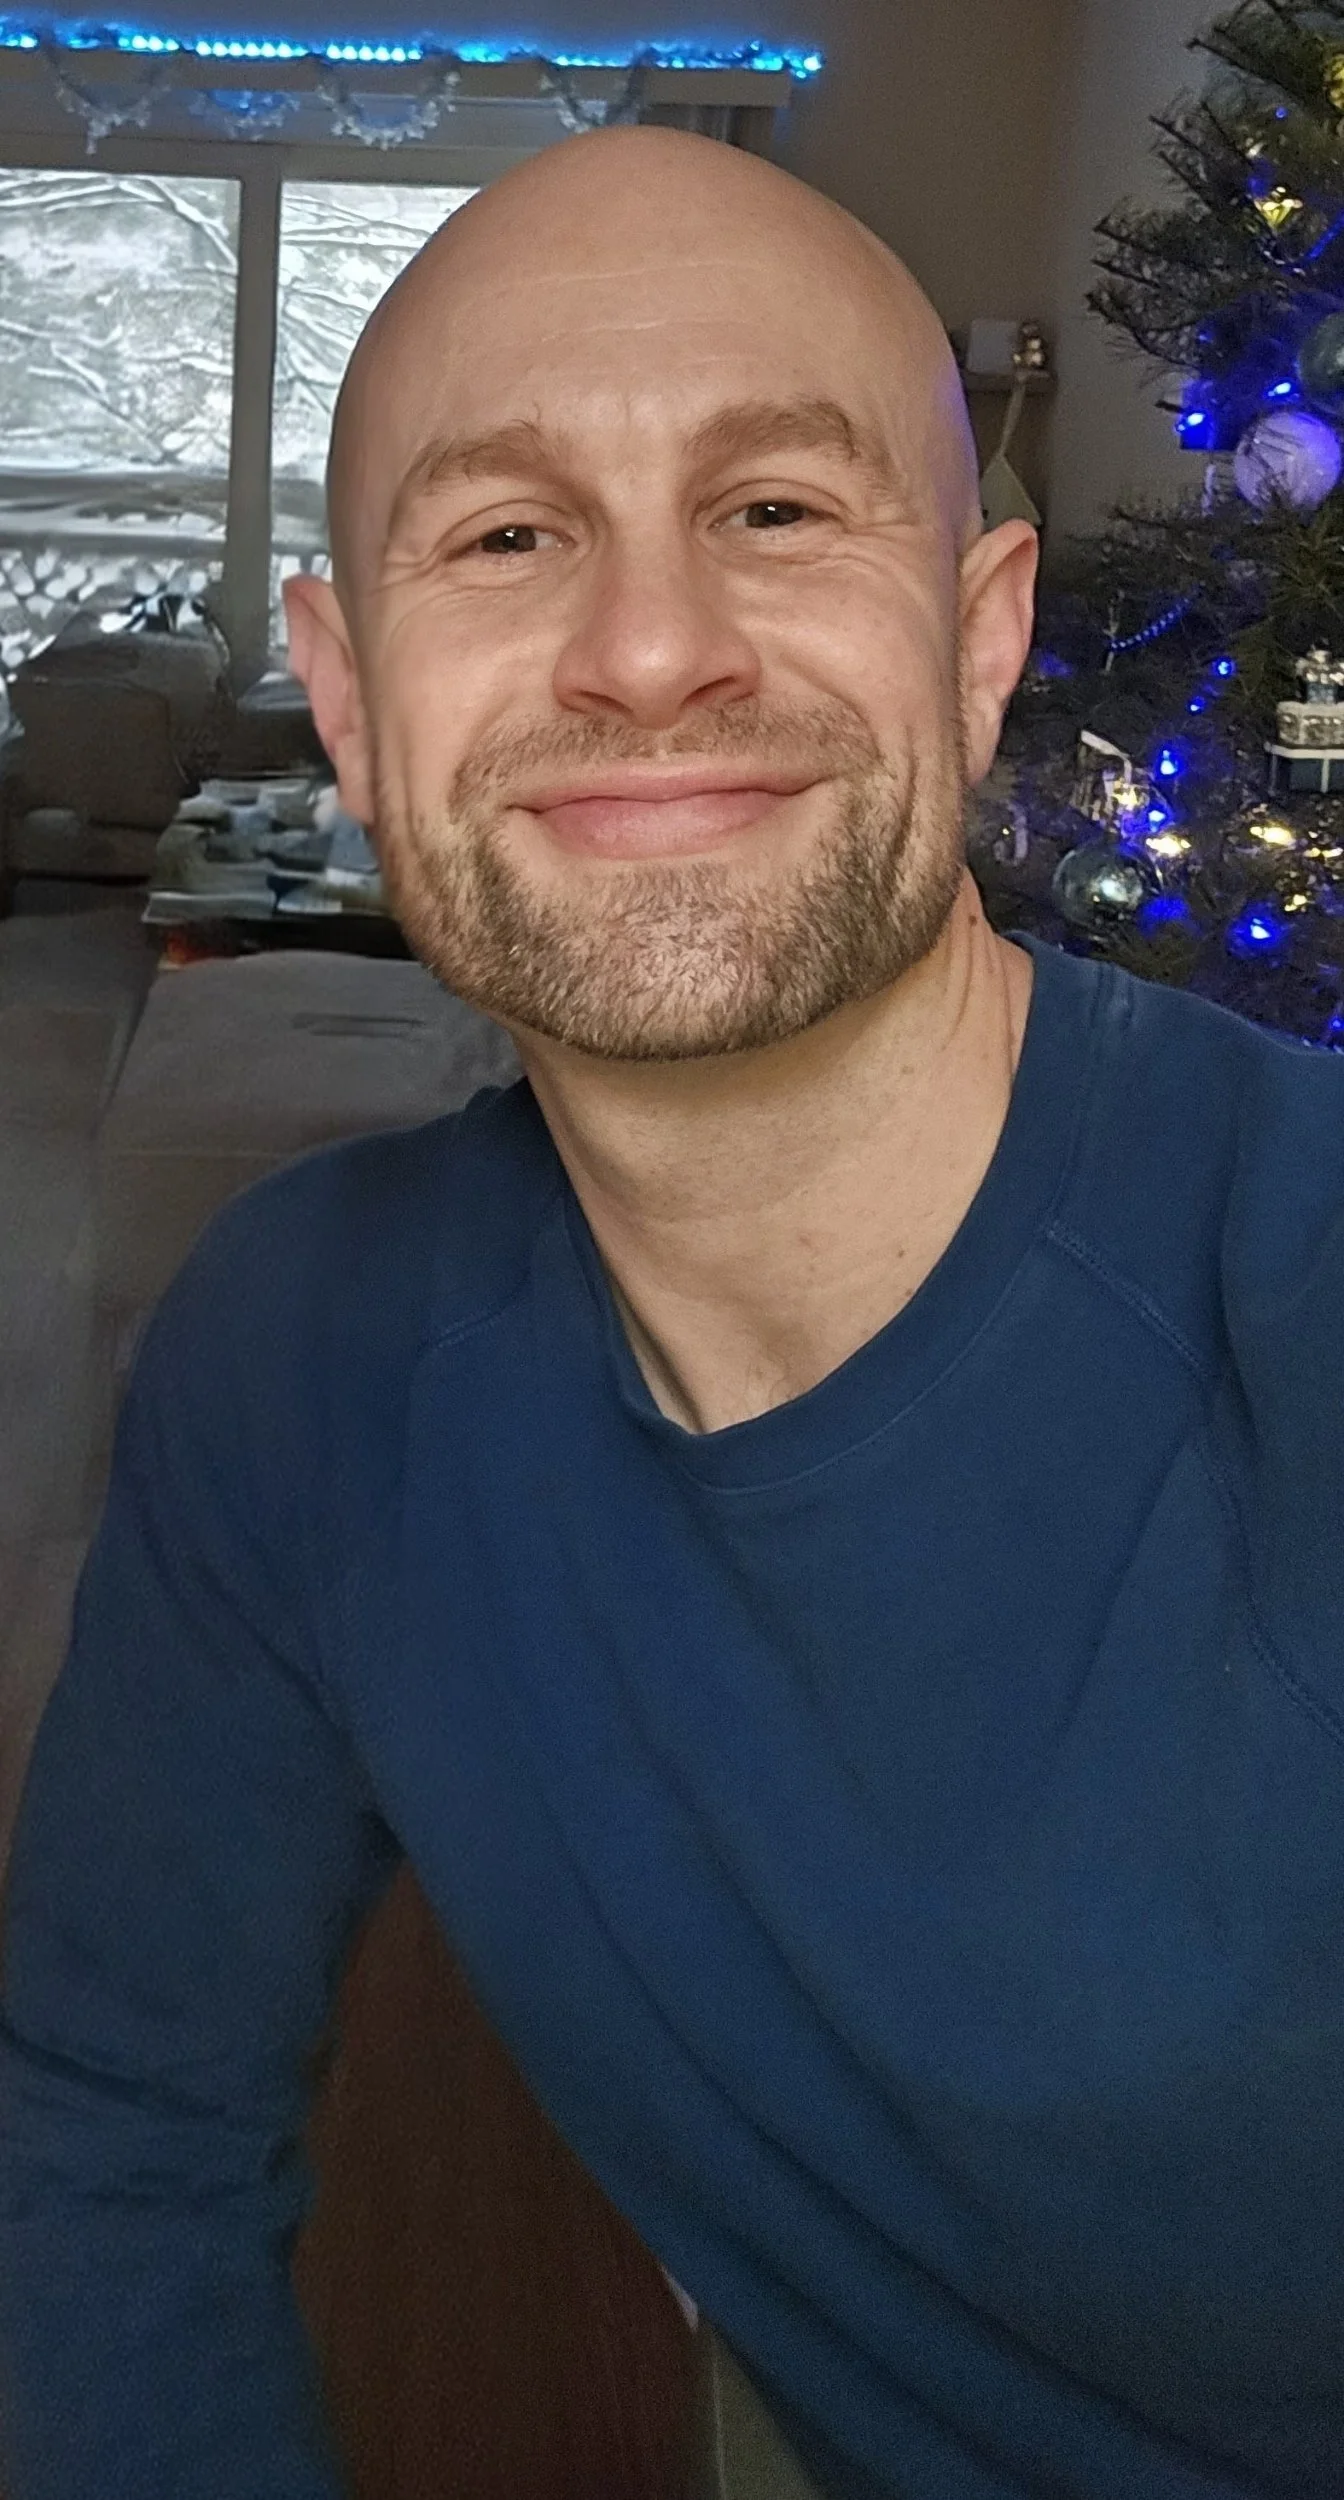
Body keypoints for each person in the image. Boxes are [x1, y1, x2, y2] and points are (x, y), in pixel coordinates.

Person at [2, 119, 1344, 2500]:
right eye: (508, 534)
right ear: (341, 685)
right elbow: (95, 2134)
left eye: (779, 510)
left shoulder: (1295, 1295)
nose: (647, 647)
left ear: (983, 628)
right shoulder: (294, 1355)